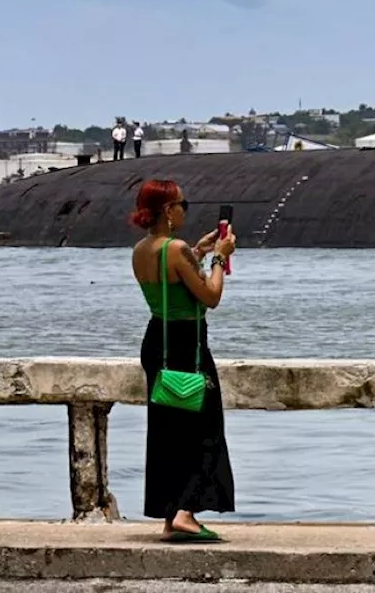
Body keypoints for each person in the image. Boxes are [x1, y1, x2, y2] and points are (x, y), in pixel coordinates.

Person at [130, 179, 237, 542]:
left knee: (166, 433)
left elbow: (171, 279)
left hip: (157, 342)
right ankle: (187, 512)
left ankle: (169, 511)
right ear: (168, 211)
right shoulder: (177, 249)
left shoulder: (143, 250)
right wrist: (221, 257)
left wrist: (199, 251)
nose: (184, 209)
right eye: (182, 204)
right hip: (187, 346)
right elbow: (210, 296)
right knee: (204, 431)